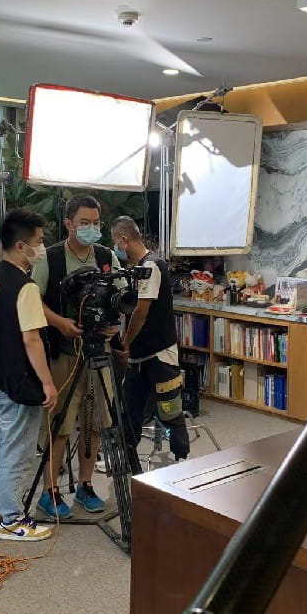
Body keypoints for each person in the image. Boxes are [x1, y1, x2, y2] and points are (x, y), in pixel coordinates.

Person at [31, 195, 122, 520]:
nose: (91, 228)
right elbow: (33, 300)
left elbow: (121, 294)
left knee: (96, 422)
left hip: (100, 352)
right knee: (61, 424)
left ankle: (85, 484)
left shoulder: (106, 256)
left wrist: (115, 323)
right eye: (84, 223)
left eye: (96, 223)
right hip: (65, 352)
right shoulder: (51, 258)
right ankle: (50, 490)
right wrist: (60, 323)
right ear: (69, 223)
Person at [0, 209, 57, 541]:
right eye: (39, 241)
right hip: (16, 382)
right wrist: (48, 382)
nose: (42, 247)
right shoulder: (25, 287)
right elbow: (31, 339)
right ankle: (11, 520)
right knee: (18, 452)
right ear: (22, 246)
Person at [111, 216, 190, 463]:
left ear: (123, 240)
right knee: (130, 411)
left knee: (170, 412)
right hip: (139, 356)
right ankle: (129, 463)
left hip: (159, 353)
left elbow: (141, 311)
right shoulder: (137, 269)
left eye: (115, 242)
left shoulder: (152, 266)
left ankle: (181, 461)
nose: (116, 248)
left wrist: (124, 343)